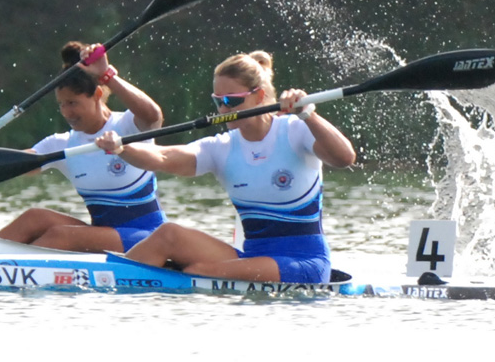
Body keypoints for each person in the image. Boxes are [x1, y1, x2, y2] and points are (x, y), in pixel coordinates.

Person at [94, 50, 356, 284]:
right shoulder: (221, 147)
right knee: (168, 234)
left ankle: (163, 278)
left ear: (259, 96)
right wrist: (121, 148)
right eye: (218, 101)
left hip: (305, 262)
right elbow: (163, 157)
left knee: (202, 270)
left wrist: (309, 113)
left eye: (231, 101)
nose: (222, 109)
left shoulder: (295, 131)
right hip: (251, 256)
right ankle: (104, 282)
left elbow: (345, 158)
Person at [0, 41, 167, 252]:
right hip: (103, 235)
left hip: (148, 238)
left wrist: (107, 76)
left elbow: (153, 115)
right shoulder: (63, 143)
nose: (66, 113)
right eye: (62, 104)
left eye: (73, 103)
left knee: (62, 236)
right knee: (34, 217)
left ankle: (3, 268)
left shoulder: (127, 126)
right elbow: (10, 164)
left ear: (97, 95)